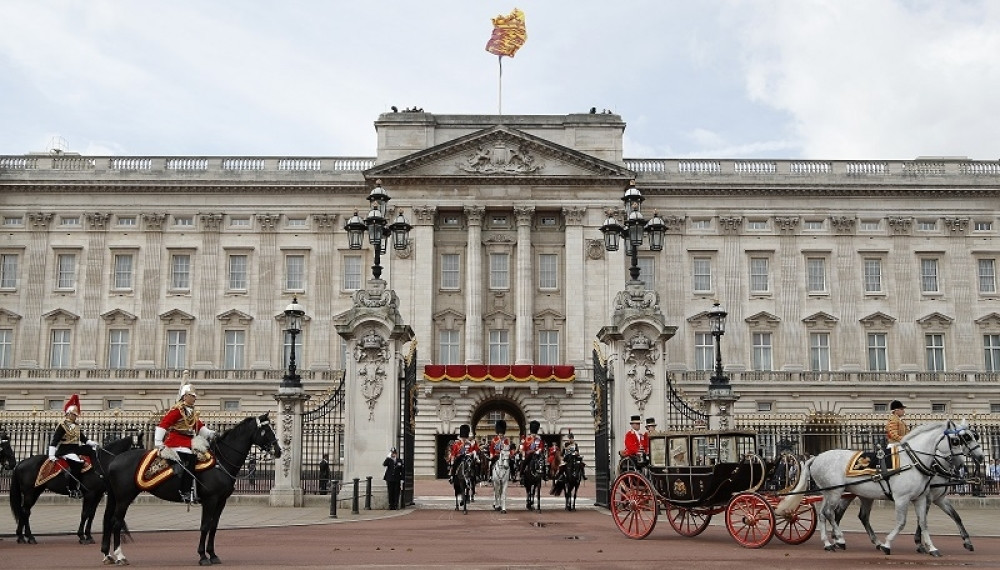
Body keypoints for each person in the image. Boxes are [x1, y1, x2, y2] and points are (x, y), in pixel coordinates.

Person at [155, 375, 216, 503]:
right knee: (190, 458)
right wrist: (158, 442)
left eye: (194, 396)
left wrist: (211, 433)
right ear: (185, 396)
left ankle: (197, 488)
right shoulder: (177, 411)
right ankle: (185, 490)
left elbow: (199, 427)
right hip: (176, 440)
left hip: (188, 441)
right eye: (192, 396)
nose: (195, 398)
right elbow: (163, 424)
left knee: (204, 455)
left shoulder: (191, 412)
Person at [48, 394, 99, 498]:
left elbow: (82, 438)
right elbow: (55, 440)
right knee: (77, 463)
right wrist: (51, 454)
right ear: (69, 414)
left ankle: (97, 469)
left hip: (75, 447)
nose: (76, 417)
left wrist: (90, 442)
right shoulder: (62, 425)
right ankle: (72, 488)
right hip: (66, 450)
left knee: (90, 450)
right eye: (74, 415)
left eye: (76, 415)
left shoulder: (75, 426)